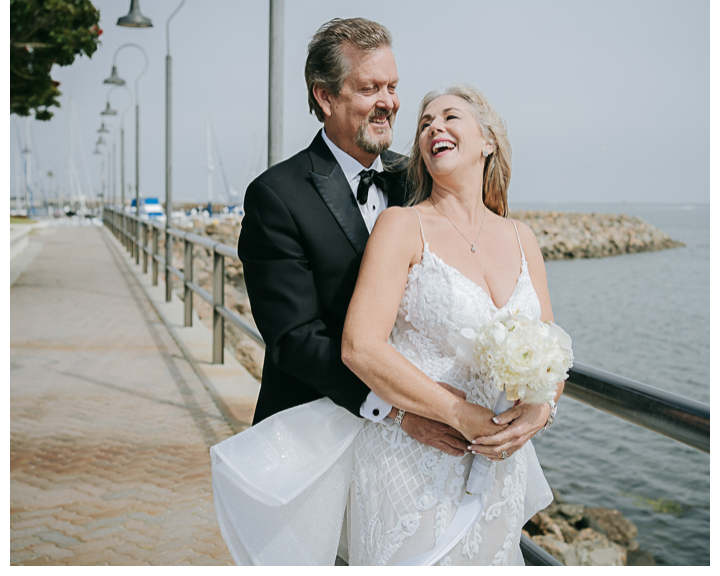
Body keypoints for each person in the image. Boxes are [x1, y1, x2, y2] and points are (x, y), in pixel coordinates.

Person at [211, 84, 560, 566]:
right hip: (412, 460)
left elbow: (551, 348)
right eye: (424, 123)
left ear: (489, 141)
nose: (432, 126)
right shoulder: (400, 224)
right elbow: (357, 345)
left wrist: (540, 412)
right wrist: (454, 414)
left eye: (450, 117)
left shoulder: (523, 237)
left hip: (499, 465)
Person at [237, 17, 468, 459]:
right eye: (370, 89)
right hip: (317, 438)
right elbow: (295, 338)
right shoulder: (276, 196)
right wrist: (400, 410)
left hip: (424, 446)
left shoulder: (419, 180)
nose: (389, 103)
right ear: (325, 97)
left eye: (393, 87)